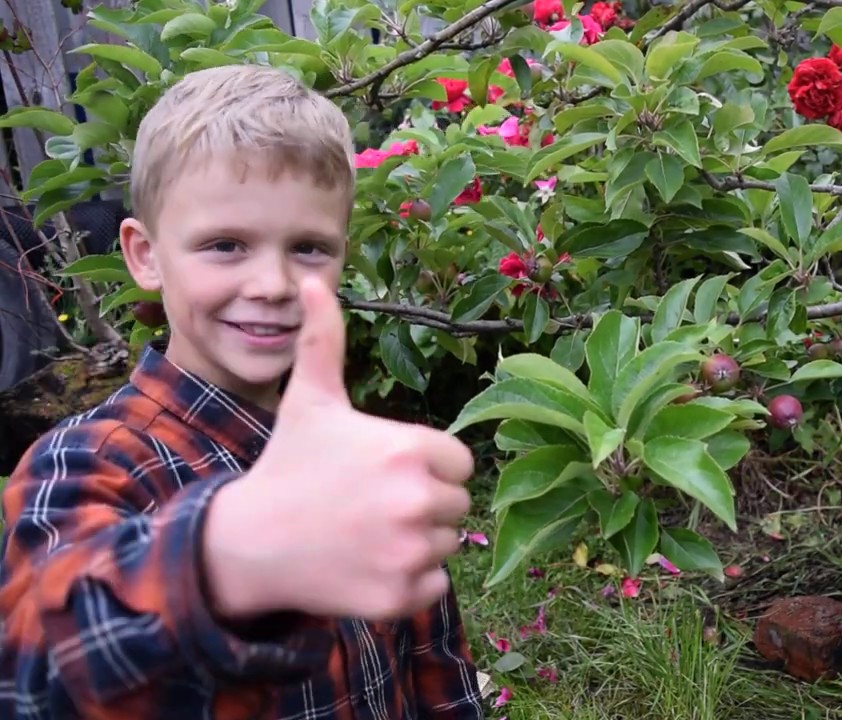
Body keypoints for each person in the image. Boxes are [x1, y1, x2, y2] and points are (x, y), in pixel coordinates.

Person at [0, 64, 483, 719]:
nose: (273, 284)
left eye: (308, 247)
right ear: (145, 255)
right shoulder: (89, 461)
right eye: (225, 245)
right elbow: (38, 678)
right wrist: (219, 563)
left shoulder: (358, 460)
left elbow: (435, 668)